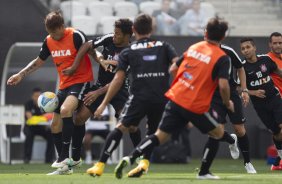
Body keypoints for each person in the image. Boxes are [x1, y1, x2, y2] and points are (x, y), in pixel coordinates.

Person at [113, 17, 240, 180]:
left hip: (176, 97)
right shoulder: (222, 57)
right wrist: (227, 102)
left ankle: (130, 158)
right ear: (223, 37)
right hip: (195, 103)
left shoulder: (194, 47)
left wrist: (184, 82)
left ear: (206, 33)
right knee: (217, 132)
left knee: (159, 136)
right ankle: (205, 171)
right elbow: (223, 86)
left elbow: (173, 67)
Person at [92, 13, 179, 177]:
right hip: (161, 97)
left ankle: (100, 165)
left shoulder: (128, 51)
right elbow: (177, 65)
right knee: (154, 133)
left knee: (121, 128)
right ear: (151, 29)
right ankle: (143, 163)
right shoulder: (164, 46)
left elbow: (118, 79)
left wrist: (103, 103)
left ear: (133, 30)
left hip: (139, 96)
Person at [7, 11, 93, 175]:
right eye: (49, 33)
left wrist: (103, 61)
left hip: (82, 82)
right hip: (64, 86)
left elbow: (92, 51)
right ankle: (65, 168)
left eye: (55, 32)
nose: (52, 36)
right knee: (54, 124)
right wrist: (20, 74)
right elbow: (38, 61)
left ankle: (63, 158)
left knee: (66, 110)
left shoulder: (75, 36)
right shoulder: (49, 41)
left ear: (62, 27)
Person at [62, 18, 142, 175]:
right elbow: (86, 45)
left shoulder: (132, 52)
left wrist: (97, 93)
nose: (114, 36)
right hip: (100, 86)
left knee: (131, 125)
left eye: (118, 34)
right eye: (114, 32)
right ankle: (77, 158)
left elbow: (118, 81)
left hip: (120, 91)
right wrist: (74, 66)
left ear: (127, 36)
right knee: (79, 118)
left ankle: (140, 156)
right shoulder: (108, 38)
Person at [197, 44, 257, 175]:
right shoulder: (200, 51)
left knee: (239, 129)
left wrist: (245, 89)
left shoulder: (228, 50)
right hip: (213, 96)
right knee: (215, 131)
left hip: (232, 93)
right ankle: (230, 141)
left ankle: (247, 162)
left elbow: (240, 68)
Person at [240, 37, 282, 171]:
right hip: (260, 106)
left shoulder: (265, 60)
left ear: (254, 47)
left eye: (248, 47)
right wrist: (253, 93)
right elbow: (238, 87)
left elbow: (278, 72)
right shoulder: (242, 67)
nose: (246, 50)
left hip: (275, 98)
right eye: (243, 49)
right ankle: (279, 158)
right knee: (277, 133)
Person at [23, 88, 54, 164]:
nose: (37, 98)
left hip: (41, 128)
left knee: (51, 135)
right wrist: (43, 118)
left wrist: (44, 118)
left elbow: (50, 116)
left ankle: (49, 159)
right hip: (30, 127)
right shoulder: (28, 104)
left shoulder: (45, 105)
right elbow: (30, 118)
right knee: (29, 135)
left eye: (39, 96)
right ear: (32, 96)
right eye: (35, 96)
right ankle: (27, 158)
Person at [267, 32, 282, 170]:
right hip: (276, 102)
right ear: (270, 44)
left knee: (278, 133)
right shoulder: (266, 60)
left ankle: (278, 161)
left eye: (280, 43)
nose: (278, 45)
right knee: (279, 132)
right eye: (275, 43)